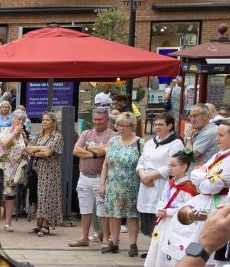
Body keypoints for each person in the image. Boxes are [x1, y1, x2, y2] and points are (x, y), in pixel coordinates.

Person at [145, 150, 202, 267]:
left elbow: (188, 208)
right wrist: (159, 209)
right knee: (161, 247)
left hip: (176, 223)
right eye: (169, 165)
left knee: (173, 251)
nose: (170, 168)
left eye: (173, 165)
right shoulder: (170, 182)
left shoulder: (189, 186)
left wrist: (168, 211)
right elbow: (162, 199)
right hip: (163, 223)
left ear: (184, 167)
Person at [98, 112, 144, 257]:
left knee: (132, 215)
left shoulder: (140, 143)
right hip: (113, 184)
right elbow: (106, 164)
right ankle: (114, 243)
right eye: (119, 125)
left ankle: (133, 244)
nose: (121, 128)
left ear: (132, 127)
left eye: (125, 125)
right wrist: (102, 184)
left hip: (132, 184)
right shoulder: (112, 141)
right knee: (113, 214)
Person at [136, 110, 185, 245]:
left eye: (161, 124)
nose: (157, 127)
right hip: (146, 181)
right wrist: (143, 176)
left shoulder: (176, 143)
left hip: (161, 182)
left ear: (169, 126)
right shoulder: (151, 142)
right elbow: (141, 161)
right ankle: (152, 246)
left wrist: (151, 176)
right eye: (156, 124)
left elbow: (171, 165)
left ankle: (159, 247)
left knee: (159, 215)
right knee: (148, 218)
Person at [70, 109, 113, 247]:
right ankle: (84, 237)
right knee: (85, 209)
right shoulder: (86, 133)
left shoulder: (112, 136)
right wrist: (95, 153)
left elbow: (107, 150)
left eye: (100, 119)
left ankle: (106, 238)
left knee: (102, 210)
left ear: (107, 119)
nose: (97, 122)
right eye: (95, 119)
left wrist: (87, 149)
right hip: (84, 177)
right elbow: (76, 150)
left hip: (100, 179)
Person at [26, 113, 63, 237]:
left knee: (46, 197)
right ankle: (39, 223)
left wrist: (35, 151)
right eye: (43, 120)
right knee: (36, 196)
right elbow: (27, 148)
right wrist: (39, 150)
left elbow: (47, 153)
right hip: (36, 170)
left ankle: (46, 225)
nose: (45, 122)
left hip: (50, 172)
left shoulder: (57, 137)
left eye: (47, 120)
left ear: (53, 122)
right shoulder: (38, 135)